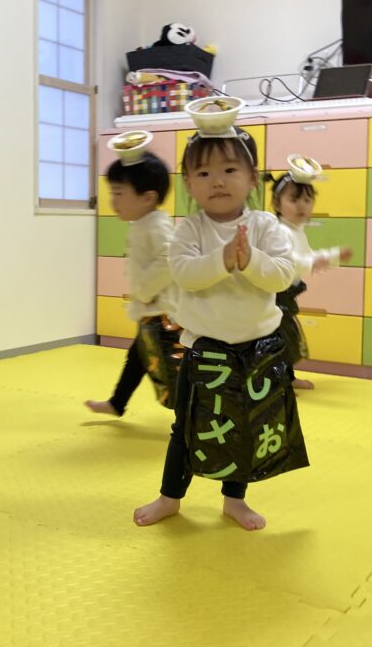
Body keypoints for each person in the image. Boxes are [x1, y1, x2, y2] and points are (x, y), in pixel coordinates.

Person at [133, 98, 312, 531]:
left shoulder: (266, 226)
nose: (217, 181)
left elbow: (282, 275)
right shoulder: (189, 230)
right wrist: (223, 259)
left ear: (251, 177)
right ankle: (169, 497)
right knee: (186, 427)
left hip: (257, 350)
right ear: (189, 183)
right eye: (203, 173)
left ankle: (235, 500)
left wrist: (249, 259)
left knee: (247, 425)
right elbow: (185, 274)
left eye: (230, 169)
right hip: (204, 350)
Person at [86, 146, 180, 416]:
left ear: (147, 198)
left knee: (171, 368)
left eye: (118, 193)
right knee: (137, 358)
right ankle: (117, 403)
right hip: (151, 312)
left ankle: (189, 416)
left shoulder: (156, 224)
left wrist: (145, 290)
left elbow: (169, 258)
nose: (112, 200)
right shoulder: (142, 223)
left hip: (163, 316)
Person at [269, 157, 352, 390]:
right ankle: (276, 382)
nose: (301, 206)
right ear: (276, 204)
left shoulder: (296, 231)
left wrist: (332, 256)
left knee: (288, 338)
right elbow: (289, 261)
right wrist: (317, 260)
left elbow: (307, 256)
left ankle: (287, 377)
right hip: (272, 297)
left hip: (285, 294)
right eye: (294, 200)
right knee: (277, 339)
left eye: (307, 200)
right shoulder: (279, 231)